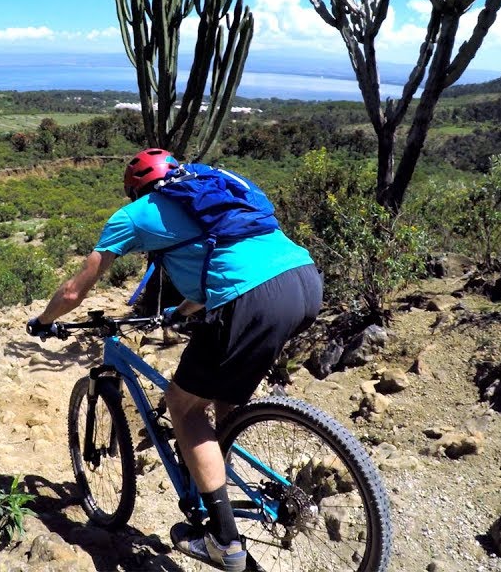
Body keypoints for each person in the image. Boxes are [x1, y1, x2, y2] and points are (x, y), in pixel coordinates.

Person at [28, 148, 323, 572]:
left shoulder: (134, 215)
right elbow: (217, 268)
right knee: (222, 396)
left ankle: (224, 541)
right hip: (304, 281)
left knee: (183, 406)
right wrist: (180, 312)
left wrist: (43, 321)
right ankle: (220, 478)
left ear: (135, 189)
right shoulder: (215, 192)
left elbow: (76, 290)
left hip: (250, 296)